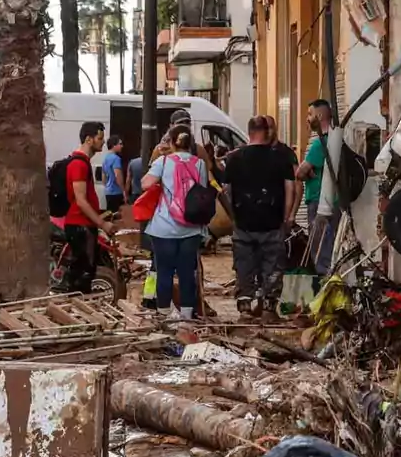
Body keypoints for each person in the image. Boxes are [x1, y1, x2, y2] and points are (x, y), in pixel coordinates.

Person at [223, 116, 296, 321]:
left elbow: (226, 191)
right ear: (267, 131)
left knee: (244, 265)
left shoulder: (234, 158)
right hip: (272, 223)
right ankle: (268, 309)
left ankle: (245, 308)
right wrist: (286, 217)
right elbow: (290, 189)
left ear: (249, 132)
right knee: (272, 265)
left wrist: (233, 217)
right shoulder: (281, 158)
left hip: (243, 223)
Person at [142, 125, 209, 320]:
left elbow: (145, 183)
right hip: (191, 228)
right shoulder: (199, 164)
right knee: (188, 273)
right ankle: (187, 317)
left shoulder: (163, 162)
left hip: (164, 227)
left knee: (164, 272)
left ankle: (164, 315)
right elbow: (201, 190)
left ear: (171, 142)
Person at [64, 122, 117, 293]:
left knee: (85, 270)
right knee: (83, 273)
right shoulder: (79, 164)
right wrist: (102, 224)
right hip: (81, 225)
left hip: (83, 224)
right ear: (88, 139)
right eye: (100, 138)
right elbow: (81, 200)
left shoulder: (82, 162)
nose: (102, 142)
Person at [296, 100, 340, 275]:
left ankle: (324, 283)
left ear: (319, 116)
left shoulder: (320, 144)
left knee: (320, 247)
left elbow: (300, 173)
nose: (307, 119)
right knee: (330, 245)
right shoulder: (335, 140)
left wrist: (308, 171)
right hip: (334, 202)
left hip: (319, 201)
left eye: (309, 114)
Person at [102, 135, 128, 214]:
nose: (122, 146)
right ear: (114, 145)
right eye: (120, 144)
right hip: (116, 192)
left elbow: (103, 177)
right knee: (117, 216)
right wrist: (123, 191)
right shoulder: (116, 159)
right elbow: (118, 176)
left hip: (108, 192)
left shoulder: (105, 158)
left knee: (110, 214)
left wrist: (107, 186)